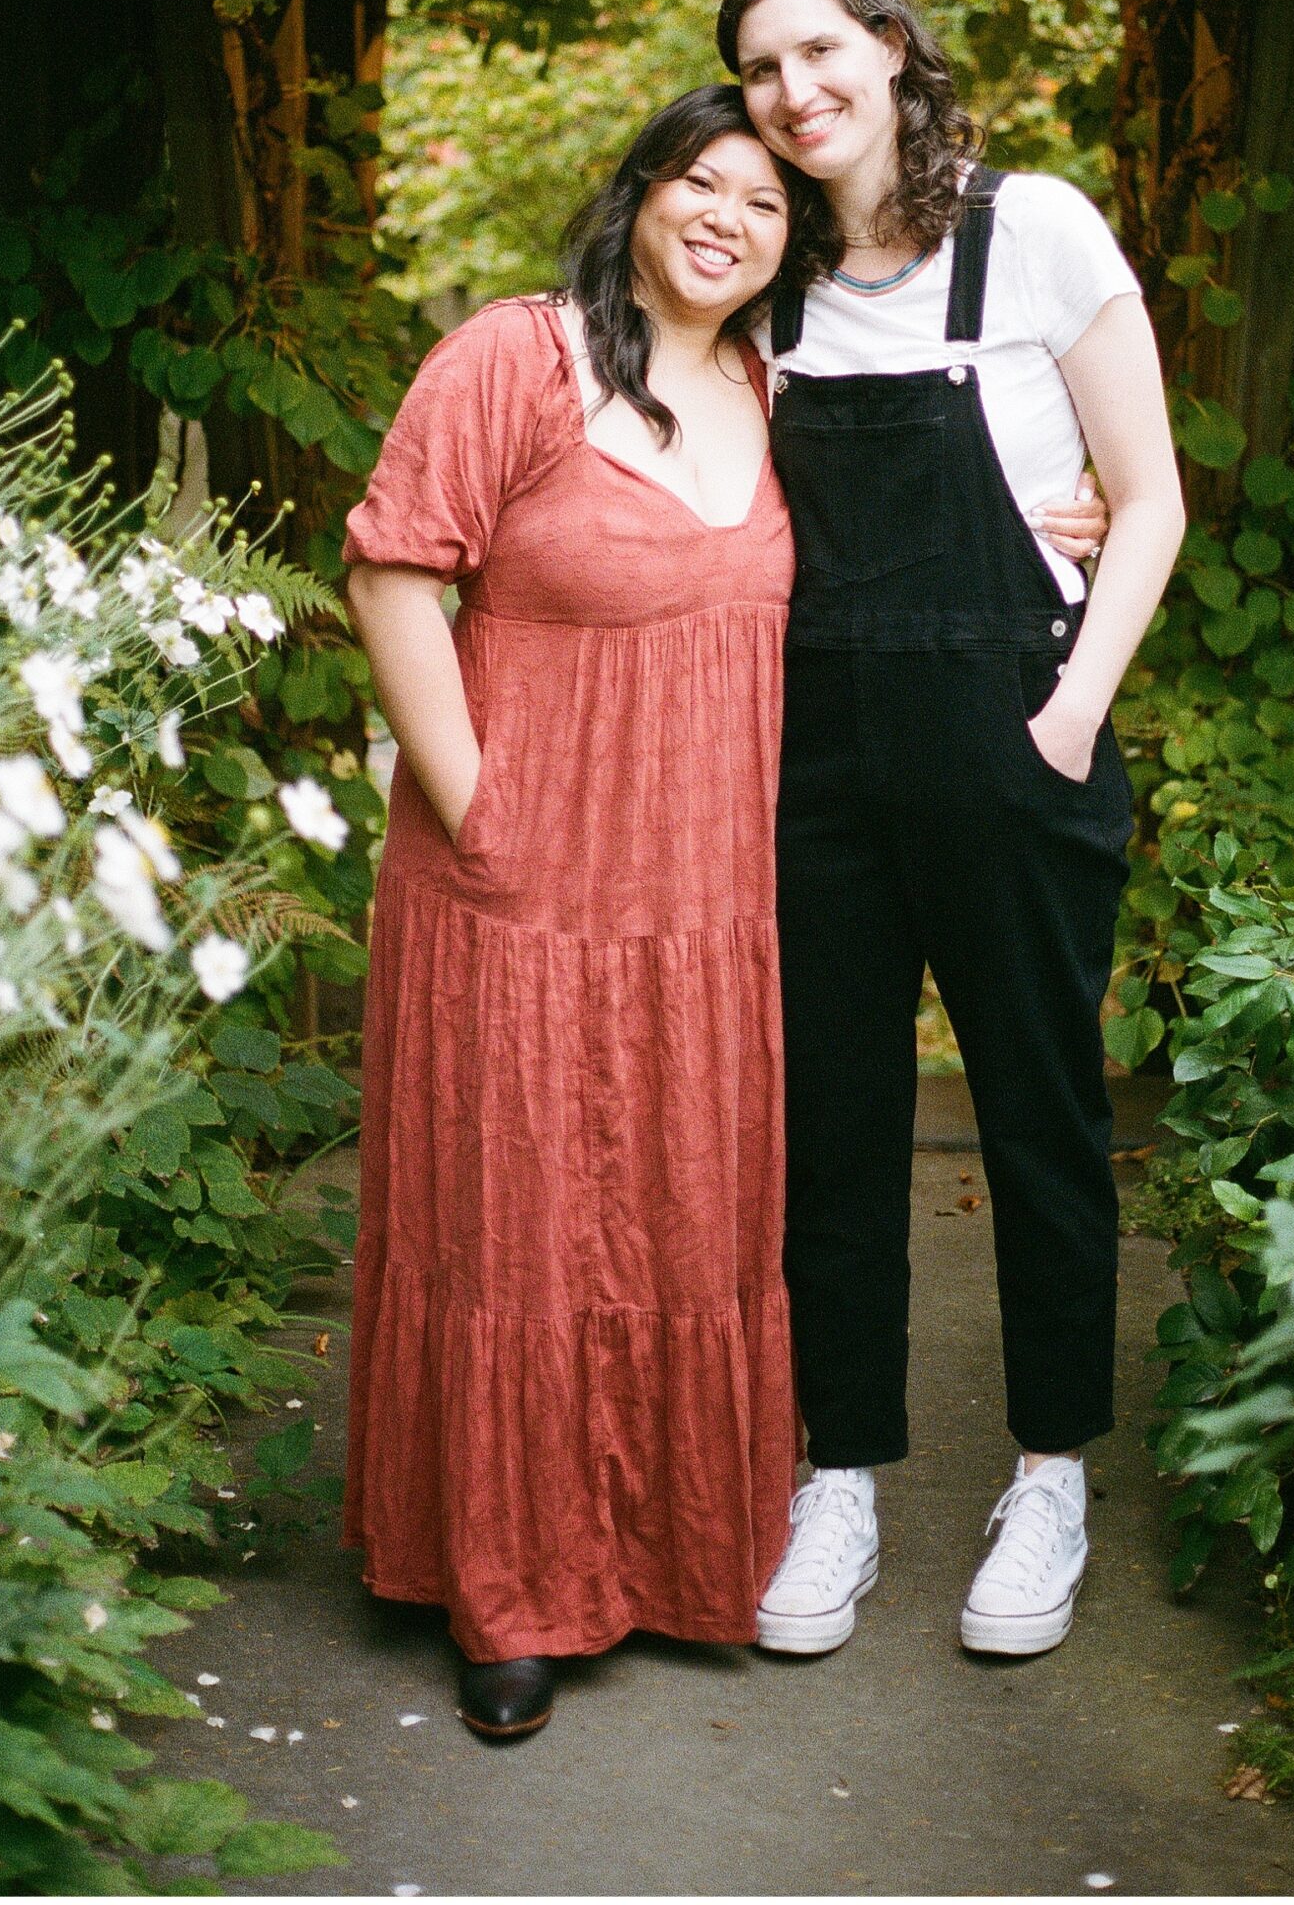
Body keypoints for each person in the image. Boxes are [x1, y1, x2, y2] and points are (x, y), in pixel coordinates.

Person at [715, 0, 1186, 1662]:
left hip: (1009, 737)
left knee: (1042, 1116)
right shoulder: (764, 269)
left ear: (895, 48)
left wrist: (1067, 718)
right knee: (829, 1125)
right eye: (765, 68)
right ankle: (839, 1475)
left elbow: (1146, 504)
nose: (797, 92)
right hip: (813, 760)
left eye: (824, 50)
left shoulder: (1035, 230)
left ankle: (1050, 1471)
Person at [340, 85, 820, 1741]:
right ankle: (508, 1595)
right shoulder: (515, 358)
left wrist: (1088, 512)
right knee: (518, 1228)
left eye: (766, 206)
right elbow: (396, 572)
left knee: (682, 1214)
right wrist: (480, 811)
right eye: (702, 181)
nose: (728, 220)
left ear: (787, 249)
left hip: (699, 898)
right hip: (519, 890)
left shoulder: (772, 388)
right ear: (636, 195)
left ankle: (668, 1556)